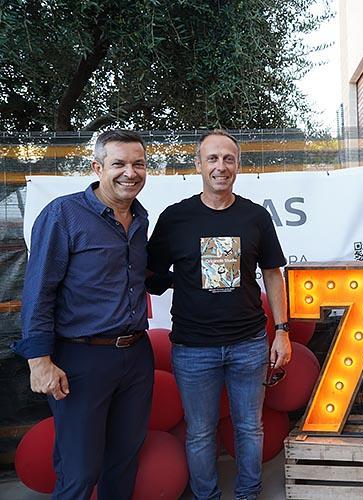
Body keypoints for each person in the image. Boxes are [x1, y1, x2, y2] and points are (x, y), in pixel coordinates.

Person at [147, 129, 291, 500]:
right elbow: (149, 271)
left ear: (238, 165)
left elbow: (273, 273)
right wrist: (180, 280)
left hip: (249, 345)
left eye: (228, 158)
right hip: (193, 348)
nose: (220, 166)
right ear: (198, 164)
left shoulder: (255, 217)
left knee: (250, 428)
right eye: (212, 158)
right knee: (199, 433)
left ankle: (248, 494)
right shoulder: (175, 218)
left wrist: (282, 330)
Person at [14, 130, 153, 499]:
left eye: (138, 164)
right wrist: (38, 360)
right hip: (81, 358)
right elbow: (39, 290)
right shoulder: (64, 214)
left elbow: (139, 275)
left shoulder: (140, 218)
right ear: (97, 168)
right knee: (79, 470)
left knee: (124, 461)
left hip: (136, 355)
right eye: (119, 163)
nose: (130, 172)